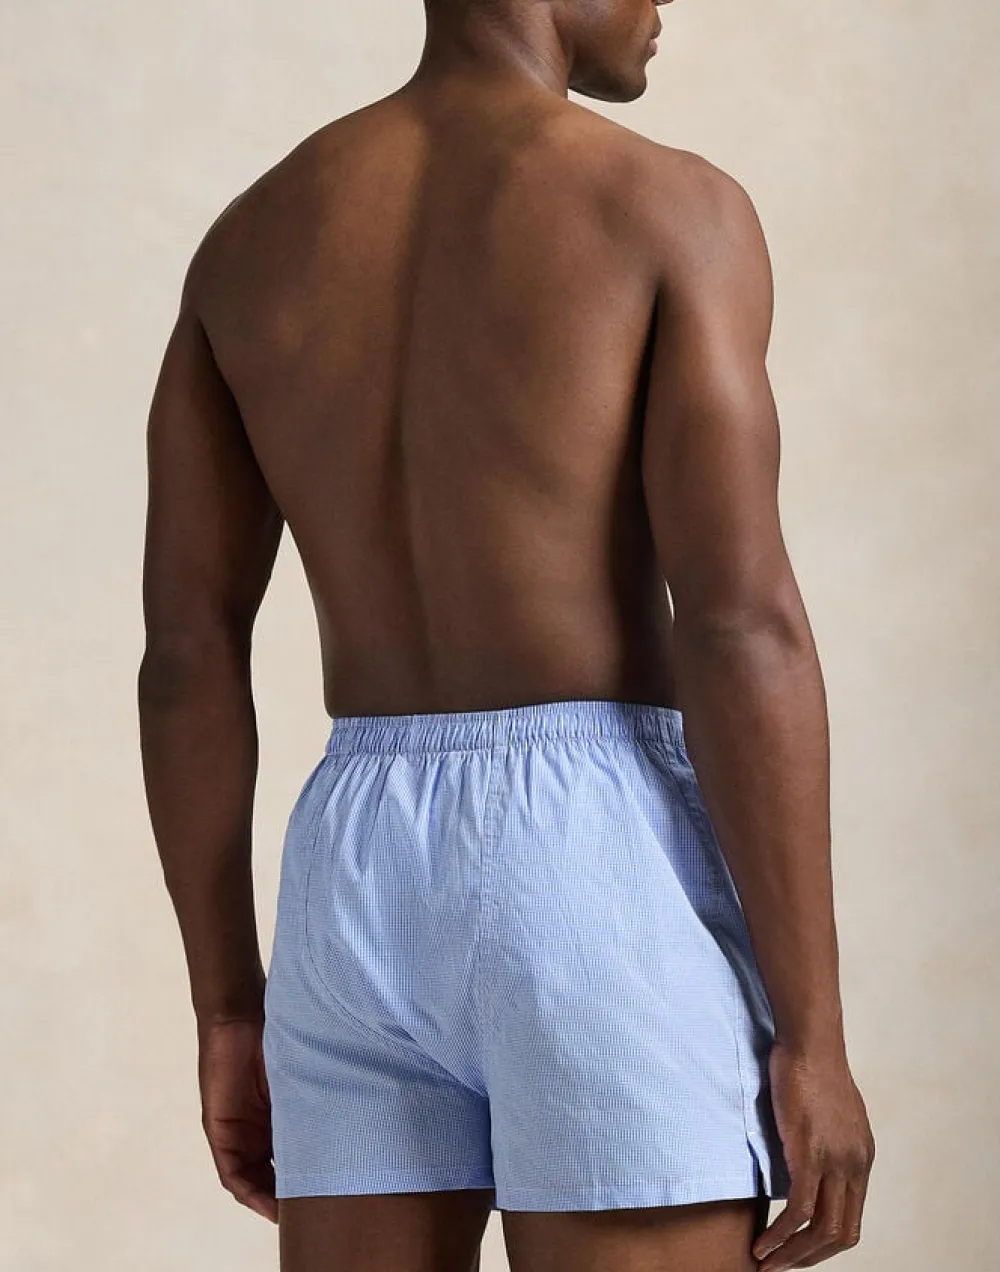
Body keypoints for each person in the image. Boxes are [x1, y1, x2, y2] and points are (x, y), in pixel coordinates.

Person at [137, 0, 875, 1268]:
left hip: (351, 866)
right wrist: (815, 1036)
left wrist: (227, 1006)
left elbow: (187, 657)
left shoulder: (252, 236)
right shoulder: (667, 208)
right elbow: (739, 624)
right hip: (594, 858)